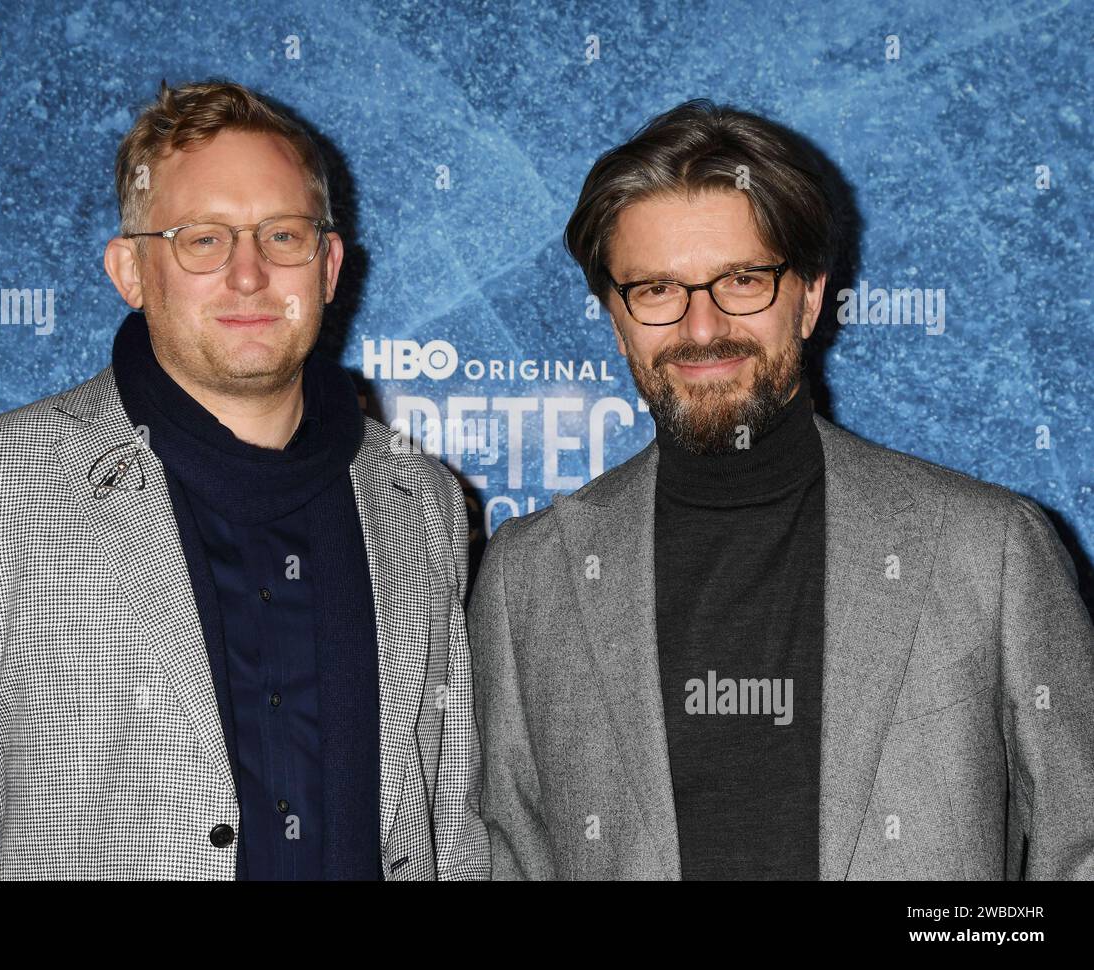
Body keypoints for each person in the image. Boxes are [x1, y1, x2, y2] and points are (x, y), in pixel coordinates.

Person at [0, 79, 488, 881]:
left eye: (282, 236)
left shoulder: (421, 502)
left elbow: (451, 829)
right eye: (202, 240)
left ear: (327, 266)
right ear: (131, 271)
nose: (248, 274)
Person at [467, 99, 1094, 880]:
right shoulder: (530, 578)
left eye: (741, 279)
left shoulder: (990, 551)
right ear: (614, 317)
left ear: (808, 296)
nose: (702, 328)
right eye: (657, 289)